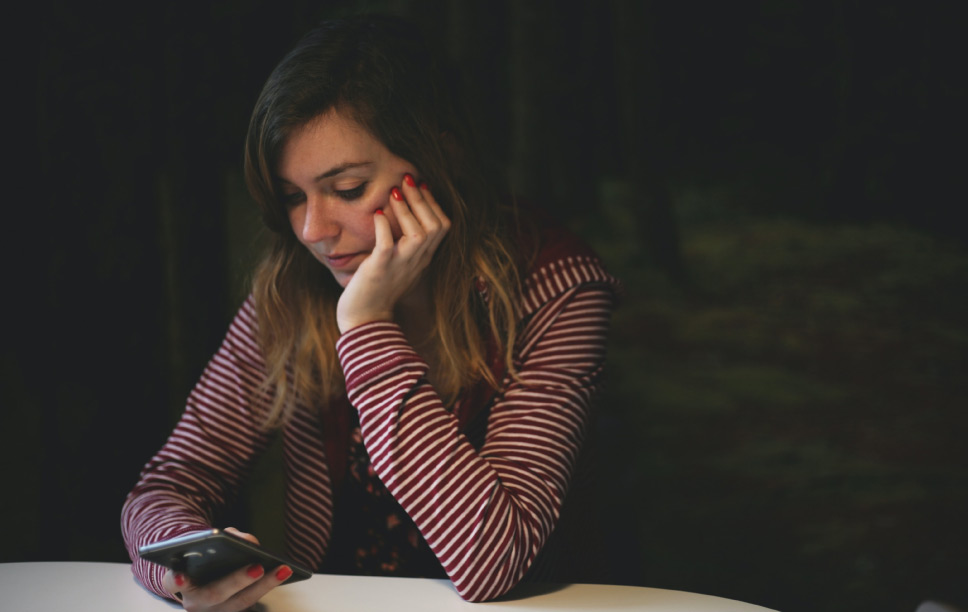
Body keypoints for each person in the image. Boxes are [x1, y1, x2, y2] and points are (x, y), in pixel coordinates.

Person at [121, 14, 618, 609]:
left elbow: (491, 562)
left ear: (440, 155)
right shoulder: (292, 289)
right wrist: (182, 566)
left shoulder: (557, 289)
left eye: (349, 188)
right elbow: (169, 482)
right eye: (291, 197)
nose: (313, 230)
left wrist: (365, 326)